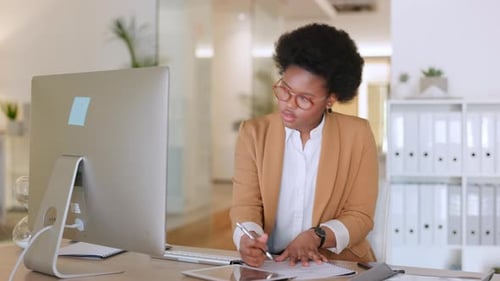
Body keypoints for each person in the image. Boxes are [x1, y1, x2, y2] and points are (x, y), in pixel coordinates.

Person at [230, 23, 379, 268]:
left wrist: (316, 236)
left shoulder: (357, 135)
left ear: (331, 98)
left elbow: (360, 216)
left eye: (304, 99)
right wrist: (249, 237)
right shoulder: (254, 133)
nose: (288, 105)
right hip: (269, 263)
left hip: (336, 264)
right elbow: (245, 205)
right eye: (285, 91)